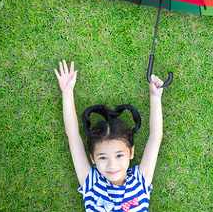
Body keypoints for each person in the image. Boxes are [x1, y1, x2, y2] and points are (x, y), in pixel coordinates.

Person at [54, 60, 164, 212]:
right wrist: (67, 93)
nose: (112, 165)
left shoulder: (140, 180)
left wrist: (155, 98)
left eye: (119, 155)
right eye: (103, 157)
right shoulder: (91, 182)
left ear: (131, 152)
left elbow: (155, 138)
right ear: (92, 158)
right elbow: (73, 136)